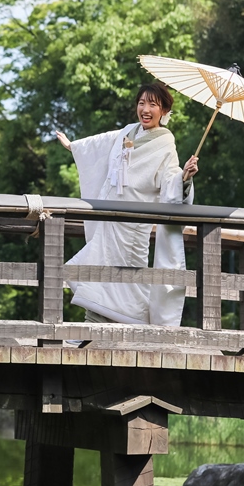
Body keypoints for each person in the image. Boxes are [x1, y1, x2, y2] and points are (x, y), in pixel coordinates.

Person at [54, 82, 199, 326]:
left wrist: (184, 177)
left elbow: (170, 179)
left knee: (126, 281)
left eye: (153, 104)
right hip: (109, 224)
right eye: (142, 103)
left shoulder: (165, 145)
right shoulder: (127, 132)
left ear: (164, 111)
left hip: (132, 229)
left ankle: (133, 323)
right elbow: (103, 143)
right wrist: (75, 146)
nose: (145, 109)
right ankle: (98, 326)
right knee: (91, 271)